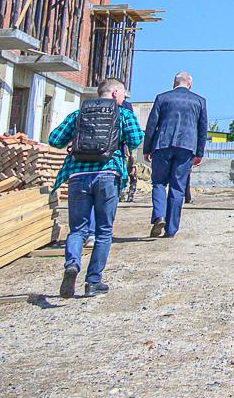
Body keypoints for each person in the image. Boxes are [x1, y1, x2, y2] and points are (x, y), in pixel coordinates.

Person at [45, 78, 143, 298]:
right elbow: (136, 139)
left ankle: (72, 265)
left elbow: (54, 140)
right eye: (123, 95)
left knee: (78, 229)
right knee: (104, 231)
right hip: (109, 174)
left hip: (78, 175)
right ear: (116, 93)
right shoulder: (123, 115)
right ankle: (93, 282)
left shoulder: (78, 114)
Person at [143, 70, 208, 239]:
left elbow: (151, 125)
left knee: (158, 183)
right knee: (177, 187)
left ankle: (159, 216)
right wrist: (199, 152)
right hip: (187, 147)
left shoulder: (162, 98)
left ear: (174, 82)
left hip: (162, 145)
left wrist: (147, 148)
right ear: (190, 84)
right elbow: (202, 129)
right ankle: (171, 229)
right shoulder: (200, 101)